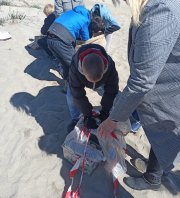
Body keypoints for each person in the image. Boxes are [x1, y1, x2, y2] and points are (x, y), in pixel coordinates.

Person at [98, 0, 180, 191]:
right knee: (164, 131)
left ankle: (153, 178)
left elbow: (141, 82)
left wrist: (113, 119)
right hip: (167, 85)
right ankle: (154, 174)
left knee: (166, 129)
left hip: (169, 91)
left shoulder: (160, 10)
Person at [67, 43, 119, 132]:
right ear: (82, 71)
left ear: (104, 68)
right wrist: (87, 114)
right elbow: (78, 94)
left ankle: (106, 111)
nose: (94, 84)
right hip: (79, 80)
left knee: (112, 95)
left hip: (102, 79)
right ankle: (76, 119)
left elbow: (111, 90)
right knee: (71, 96)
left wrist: (105, 110)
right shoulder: (75, 67)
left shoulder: (110, 66)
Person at [47, 6, 90, 80]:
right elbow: (86, 39)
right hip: (61, 41)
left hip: (49, 38)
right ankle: (75, 86)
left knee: (65, 63)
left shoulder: (69, 12)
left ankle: (67, 85)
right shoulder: (85, 19)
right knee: (76, 64)